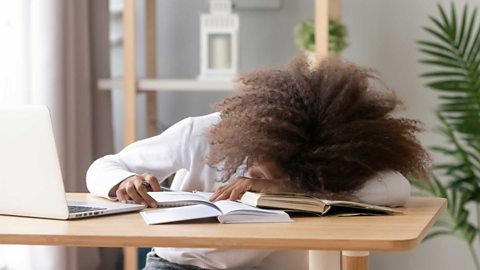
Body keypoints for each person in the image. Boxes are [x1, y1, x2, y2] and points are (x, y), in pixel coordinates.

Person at [86, 55, 430, 270]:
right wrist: (120, 183)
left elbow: (395, 186)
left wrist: (284, 189)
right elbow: (103, 166)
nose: (253, 173)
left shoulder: (323, 169)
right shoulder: (201, 133)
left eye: (275, 173)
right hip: (182, 265)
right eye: (256, 163)